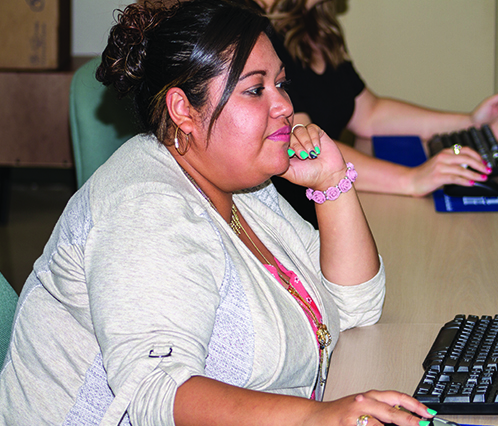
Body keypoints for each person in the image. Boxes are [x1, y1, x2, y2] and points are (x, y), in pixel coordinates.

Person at [0, 1, 436, 425]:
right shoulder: (145, 209)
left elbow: (356, 308)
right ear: (182, 110)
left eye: (281, 84)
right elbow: (158, 394)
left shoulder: (242, 181)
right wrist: (317, 417)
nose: (284, 105)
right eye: (254, 89)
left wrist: (333, 184)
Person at [241, 0, 498, 226]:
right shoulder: (254, 31)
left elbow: (369, 113)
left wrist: (471, 123)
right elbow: (304, 143)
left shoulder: (315, 27)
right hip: (293, 223)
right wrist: (410, 180)